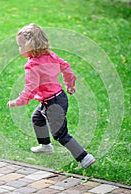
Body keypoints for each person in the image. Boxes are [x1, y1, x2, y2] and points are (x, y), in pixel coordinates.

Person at [7, 23, 95, 169]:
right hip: (59, 97)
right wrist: (70, 84)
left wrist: (19, 101)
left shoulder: (32, 66)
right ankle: (45, 145)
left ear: (30, 46)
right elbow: (66, 67)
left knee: (60, 134)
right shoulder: (51, 56)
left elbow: (31, 88)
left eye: (21, 46)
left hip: (52, 103)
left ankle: (84, 157)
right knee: (37, 118)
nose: (19, 49)